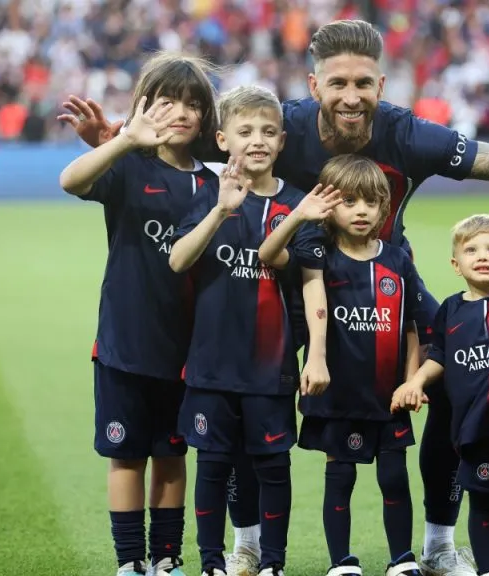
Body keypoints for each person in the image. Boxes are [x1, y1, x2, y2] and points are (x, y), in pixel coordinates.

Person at [59, 19, 489, 576]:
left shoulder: (406, 133)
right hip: (299, 284)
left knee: (451, 375)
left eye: (363, 83)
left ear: (381, 84)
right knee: (244, 390)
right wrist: (112, 141)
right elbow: (197, 145)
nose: (350, 96)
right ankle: (246, 545)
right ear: (315, 83)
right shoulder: (280, 127)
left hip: (389, 281)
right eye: (337, 83)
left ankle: (440, 543)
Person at [57, 53, 219, 576]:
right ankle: (130, 562)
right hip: (125, 342)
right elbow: (70, 181)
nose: (181, 112)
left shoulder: (214, 186)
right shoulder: (128, 165)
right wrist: (121, 140)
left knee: (173, 457)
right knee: (125, 456)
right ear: (143, 107)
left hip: (186, 350)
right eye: (167, 101)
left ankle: (167, 558)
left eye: (193, 104)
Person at [167, 85, 332, 576]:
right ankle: (212, 564)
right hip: (212, 364)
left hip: (271, 367)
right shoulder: (207, 197)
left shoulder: (301, 206)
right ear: (222, 139)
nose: (256, 141)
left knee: (272, 467)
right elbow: (177, 260)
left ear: (282, 141)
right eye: (244, 132)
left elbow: (311, 285)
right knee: (213, 467)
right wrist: (221, 209)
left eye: (266, 132)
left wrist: (316, 355)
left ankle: (273, 564)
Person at [258, 154, 422, 576]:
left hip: (389, 396)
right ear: (330, 206)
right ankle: (341, 562)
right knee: (341, 476)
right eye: (349, 201)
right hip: (339, 394)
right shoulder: (318, 258)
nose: (362, 210)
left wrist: (413, 379)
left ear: (384, 207)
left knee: (394, 477)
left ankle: (402, 559)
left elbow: (410, 328)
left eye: (370, 202)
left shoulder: (398, 259)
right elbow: (269, 254)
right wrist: (298, 217)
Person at [391, 207, 489, 576]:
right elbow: (441, 358)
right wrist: (415, 381)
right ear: (455, 264)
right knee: (482, 502)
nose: (482, 256)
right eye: (472, 250)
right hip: (473, 428)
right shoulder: (450, 310)